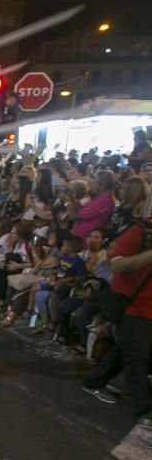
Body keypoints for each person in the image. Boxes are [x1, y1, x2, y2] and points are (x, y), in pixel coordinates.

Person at [82, 209, 152, 423]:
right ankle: (145, 410)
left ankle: (95, 381)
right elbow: (117, 264)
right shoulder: (140, 231)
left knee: (128, 351)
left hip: (147, 308)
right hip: (133, 306)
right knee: (137, 358)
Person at [70, 170, 115, 240]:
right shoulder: (99, 197)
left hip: (85, 239)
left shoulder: (104, 200)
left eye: (94, 182)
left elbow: (75, 216)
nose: (91, 184)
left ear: (102, 185)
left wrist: (67, 202)